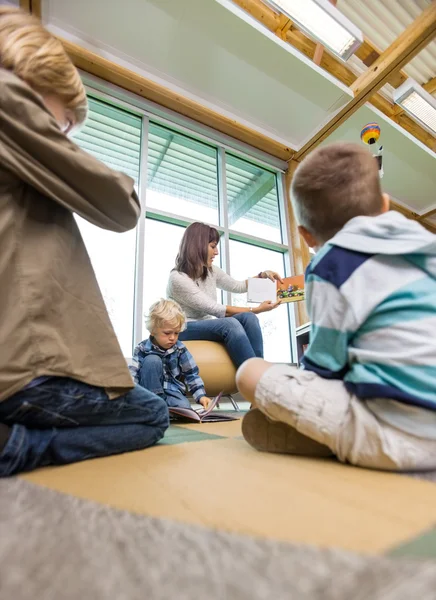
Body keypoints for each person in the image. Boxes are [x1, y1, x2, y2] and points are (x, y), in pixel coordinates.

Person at [0, 7, 169, 477]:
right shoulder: (6, 95)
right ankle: (15, 447)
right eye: (61, 126)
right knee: (153, 414)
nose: (62, 138)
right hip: (26, 370)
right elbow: (123, 205)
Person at [238, 142, 436, 472]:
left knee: (250, 372)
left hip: (395, 438)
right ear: (385, 206)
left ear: (305, 236)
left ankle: (321, 435)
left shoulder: (332, 265)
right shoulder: (425, 248)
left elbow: (325, 369)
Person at [167, 222, 283, 368]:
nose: (216, 252)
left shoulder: (210, 270)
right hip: (183, 328)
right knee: (230, 324)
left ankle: (257, 372)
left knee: (249, 318)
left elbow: (237, 286)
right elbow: (218, 310)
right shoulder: (178, 279)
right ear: (198, 246)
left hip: (205, 323)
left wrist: (262, 275)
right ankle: (258, 379)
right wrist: (258, 309)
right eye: (213, 246)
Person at [130, 299, 211, 410]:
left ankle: (160, 409)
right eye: (167, 333)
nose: (172, 338)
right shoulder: (142, 348)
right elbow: (133, 374)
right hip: (148, 392)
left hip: (172, 391)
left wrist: (201, 396)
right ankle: (154, 406)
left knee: (185, 409)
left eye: (176, 333)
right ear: (153, 330)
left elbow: (191, 374)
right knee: (152, 360)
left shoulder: (180, 348)